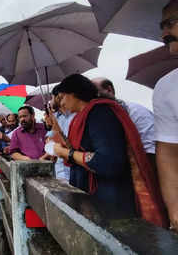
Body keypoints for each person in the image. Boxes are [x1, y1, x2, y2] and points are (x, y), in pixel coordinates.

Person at [49, 74, 168, 227]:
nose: (60, 104)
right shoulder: (80, 118)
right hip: (94, 199)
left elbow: (108, 162)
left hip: (111, 201)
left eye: (61, 97)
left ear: (74, 93)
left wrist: (66, 153)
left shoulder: (100, 113)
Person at [154, 0, 178, 231]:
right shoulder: (166, 87)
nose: (163, 35)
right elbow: (169, 152)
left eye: (170, 23)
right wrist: (175, 211)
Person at [92, 77, 155, 156]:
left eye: (95, 94)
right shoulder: (98, 118)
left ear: (109, 90)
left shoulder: (137, 112)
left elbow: (150, 151)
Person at [43, 85, 74, 181]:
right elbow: (49, 139)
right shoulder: (55, 116)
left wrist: (56, 129)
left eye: (51, 98)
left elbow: (69, 145)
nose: (50, 102)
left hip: (72, 169)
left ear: (58, 97)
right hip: (59, 169)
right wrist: (51, 126)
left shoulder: (74, 116)